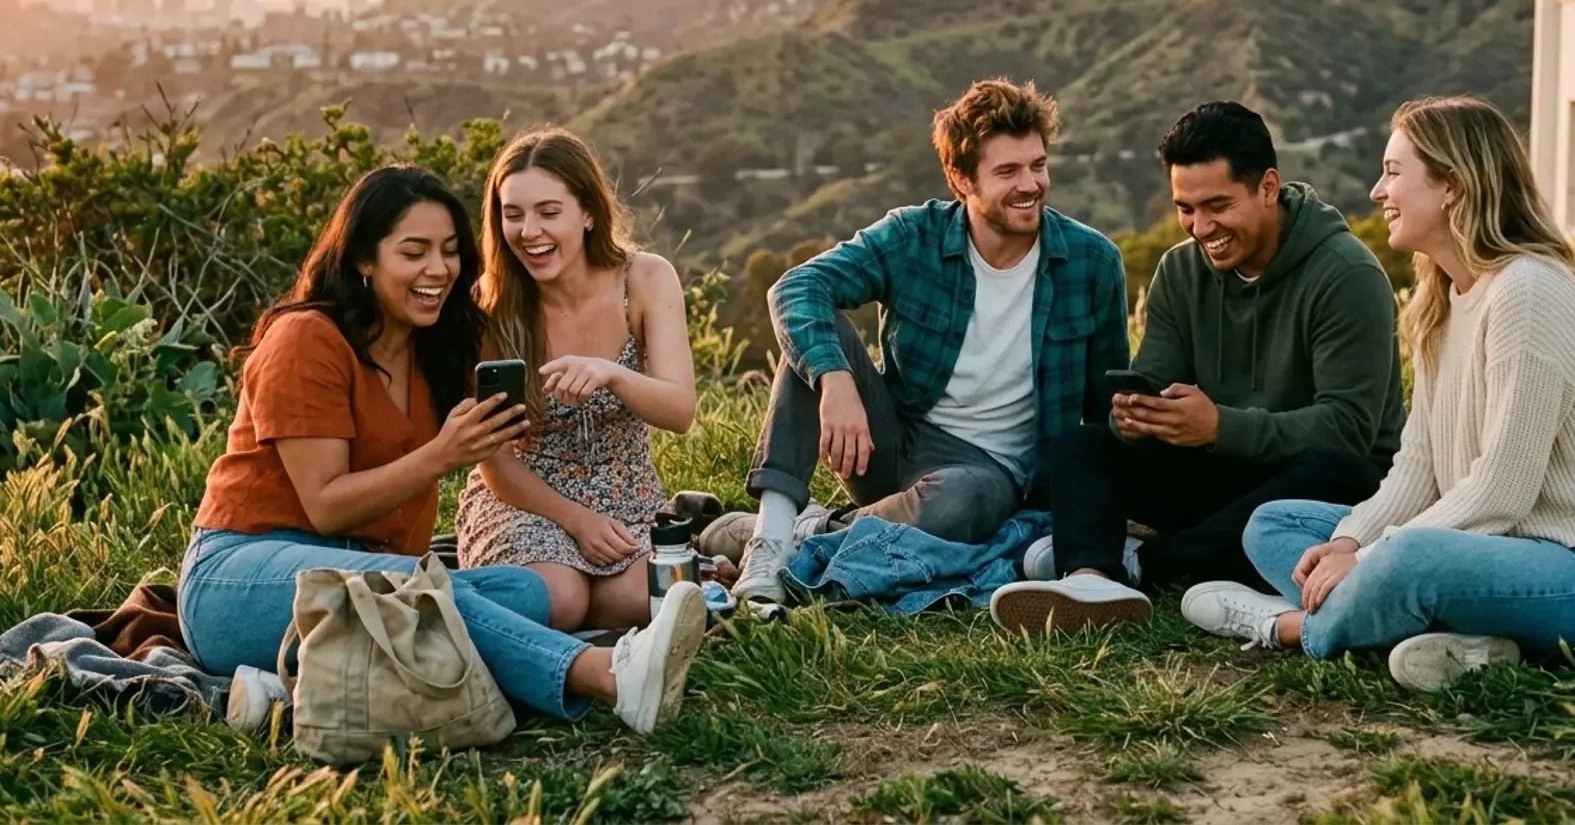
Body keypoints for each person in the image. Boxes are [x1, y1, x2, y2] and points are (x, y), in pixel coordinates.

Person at [177, 166, 705, 737]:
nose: (438, 269)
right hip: (246, 571)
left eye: (450, 251)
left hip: (380, 572)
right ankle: (606, 675)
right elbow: (327, 507)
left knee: (525, 594)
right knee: (428, 596)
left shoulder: (435, 348)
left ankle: (291, 689)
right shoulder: (307, 338)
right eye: (414, 252)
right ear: (363, 259)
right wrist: (443, 454)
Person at [1180, 96, 1575, 693]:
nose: (1378, 191)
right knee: (1273, 524)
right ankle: (1475, 645)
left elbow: (1503, 489)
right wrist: (1352, 539)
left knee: (1409, 560)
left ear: (1451, 185)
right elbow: (1420, 464)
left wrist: (1374, 557)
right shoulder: (1441, 299)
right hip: (1484, 546)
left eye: (1394, 172)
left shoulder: (1527, 294)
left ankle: (1295, 627)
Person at [990, 101, 1404, 634]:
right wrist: (1137, 419)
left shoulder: (1346, 274)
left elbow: (1348, 431)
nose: (1200, 227)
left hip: (1313, 488)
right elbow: (1156, 382)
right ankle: (1090, 575)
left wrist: (1218, 426)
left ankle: (1147, 565)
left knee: (1338, 470)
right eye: (1186, 208)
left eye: (1217, 206)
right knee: (1081, 444)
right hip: (1219, 473)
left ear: (1269, 187)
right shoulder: (1181, 270)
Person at [719, 78, 1130, 605]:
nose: (1030, 184)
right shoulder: (915, 236)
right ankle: (771, 536)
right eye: (1007, 171)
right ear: (961, 179)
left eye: (1038, 165)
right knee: (818, 335)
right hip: (890, 442)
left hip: (991, 474)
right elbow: (798, 286)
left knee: (968, 498)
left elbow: (1104, 413)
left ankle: (811, 531)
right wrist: (836, 379)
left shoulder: (1092, 261)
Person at [454, 127, 697, 632]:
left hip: (627, 494)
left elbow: (679, 411)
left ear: (587, 213)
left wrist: (611, 374)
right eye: (513, 214)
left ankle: (563, 618)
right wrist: (576, 520)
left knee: (645, 598)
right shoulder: (489, 306)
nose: (529, 232)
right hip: (524, 498)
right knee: (560, 600)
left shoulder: (646, 279)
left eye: (548, 212)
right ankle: (556, 613)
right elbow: (494, 459)